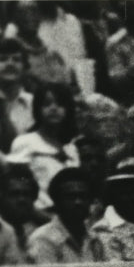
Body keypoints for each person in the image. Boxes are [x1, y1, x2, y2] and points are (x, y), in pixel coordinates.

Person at [8, 82, 80, 210]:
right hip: (35, 212)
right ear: (37, 109)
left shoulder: (72, 148)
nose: (53, 108)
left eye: (60, 104)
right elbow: (17, 184)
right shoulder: (25, 142)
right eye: (47, 104)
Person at [27, 168, 106, 264]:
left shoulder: (94, 240)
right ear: (56, 202)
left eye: (83, 196)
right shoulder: (43, 239)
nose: (78, 202)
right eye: (70, 197)